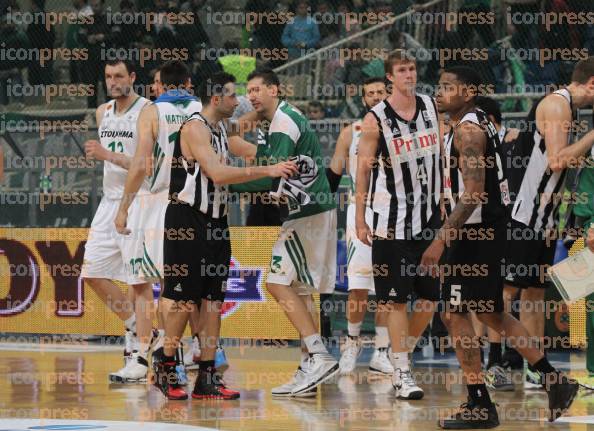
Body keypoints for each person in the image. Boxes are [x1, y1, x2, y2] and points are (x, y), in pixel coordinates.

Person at [422, 65, 579, 428]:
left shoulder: (469, 132)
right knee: (492, 314)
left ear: (470, 91)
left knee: (455, 314)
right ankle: (555, 381)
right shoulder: (474, 123)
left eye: (449, 87)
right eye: (440, 86)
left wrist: (441, 238)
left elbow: (474, 192)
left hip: (474, 236)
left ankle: (480, 404)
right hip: (489, 233)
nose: (440, 93)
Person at [150, 71, 298, 400]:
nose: (238, 101)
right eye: (233, 96)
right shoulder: (194, 128)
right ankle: (166, 363)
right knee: (183, 299)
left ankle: (207, 376)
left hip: (217, 221)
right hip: (187, 220)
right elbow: (217, 173)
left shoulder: (219, 128)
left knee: (213, 301)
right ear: (216, 99)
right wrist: (268, 170)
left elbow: (244, 125)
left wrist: (266, 109)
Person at [232, 68, 339, 397]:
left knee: (275, 282)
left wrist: (224, 181)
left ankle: (318, 354)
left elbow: (269, 179)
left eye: (257, 90)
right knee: (302, 290)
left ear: (275, 90)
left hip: (307, 214)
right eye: (248, 91)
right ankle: (309, 367)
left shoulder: (282, 122)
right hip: (307, 211)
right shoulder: (273, 119)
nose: (251, 96)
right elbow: (260, 157)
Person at [504, 57, 594, 389]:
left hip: (542, 219)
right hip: (524, 215)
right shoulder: (558, 106)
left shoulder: (568, 106)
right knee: (505, 294)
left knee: (534, 295)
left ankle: (536, 370)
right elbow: (558, 161)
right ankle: (492, 364)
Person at [355, 50, 441, 400]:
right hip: (392, 219)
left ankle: (398, 354)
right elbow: (363, 169)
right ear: (390, 77)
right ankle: (403, 370)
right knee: (393, 301)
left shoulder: (432, 106)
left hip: (430, 218)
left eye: (412, 68)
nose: (409, 74)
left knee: (429, 300)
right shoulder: (376, 119)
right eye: (402, 70)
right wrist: (360, 216)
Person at [81, 59, 155, 382]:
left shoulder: (148, 111)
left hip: (137, 201)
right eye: (108, 75)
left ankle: (140, 355)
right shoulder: (103, 112)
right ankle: (135, 325)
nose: (113, 81)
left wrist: (107, 154)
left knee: (138, 282)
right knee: (92, 273)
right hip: (108, 203)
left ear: (133, 77)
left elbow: (145, 165)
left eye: (119, 75)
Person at [327, 76, 394, 375]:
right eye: (371, 93)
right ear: (364, 99)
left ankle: (381, 351)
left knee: (387, 288)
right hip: (360, 213)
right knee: (358, 287)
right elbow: (332, 175)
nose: (376, 96)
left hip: (394, 214)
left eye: (381, 92)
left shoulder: (400, 128)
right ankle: (352, 344)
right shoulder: (350, 132)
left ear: (389, 94)